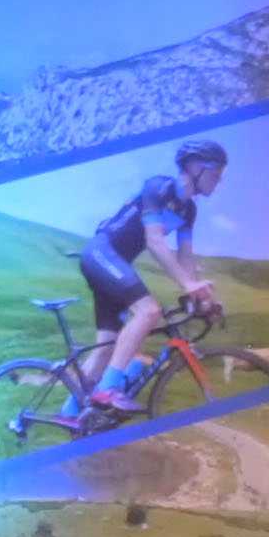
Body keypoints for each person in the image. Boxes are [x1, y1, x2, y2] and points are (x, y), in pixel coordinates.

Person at [76, 141, 230, 408]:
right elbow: (155, 241)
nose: (219, 182)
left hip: (115, 264)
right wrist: (189, 285)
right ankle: (107, 389)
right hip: (101, 253)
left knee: (105, 349)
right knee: (148, 311)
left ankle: (71, 417)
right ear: (195, 168)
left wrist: (201, 297)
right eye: (216, 174)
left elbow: (185, 257)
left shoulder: (189, 211)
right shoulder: (158, 187)